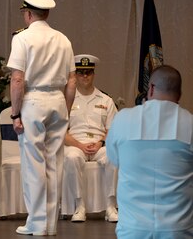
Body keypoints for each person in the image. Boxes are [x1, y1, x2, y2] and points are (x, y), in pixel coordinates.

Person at [7, 0, 76, 236]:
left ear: (27, 14)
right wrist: (66, 111)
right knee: (54, 164)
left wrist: (15, 114)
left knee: (33, 164)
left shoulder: (23, 38)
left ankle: (37, 223)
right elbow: (72, 81)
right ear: (46, 13)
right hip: (58, 99)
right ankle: (50, 224)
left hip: (33, 100)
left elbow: (17, 79)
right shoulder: (63, 39)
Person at [106, 65, 193, 238]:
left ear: (150, 88)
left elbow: (114, 159)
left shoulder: (122, 119)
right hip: (177, 229)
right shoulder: (190, 123)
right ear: (179, 95)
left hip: (132, 228)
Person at [63, 54, 118, 223]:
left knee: (112, 157)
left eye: (88, 72)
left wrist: (101, 142)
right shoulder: (66, 100)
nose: (85, 76)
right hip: (75, 144)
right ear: (75, 75)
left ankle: (111, 206)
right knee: (71, 157)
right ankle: (79, 206)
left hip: (99, 144)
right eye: (80, 72)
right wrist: (79, 145)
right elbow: (61, 132)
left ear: (93, 74)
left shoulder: (106, 100)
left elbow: (113, 130)